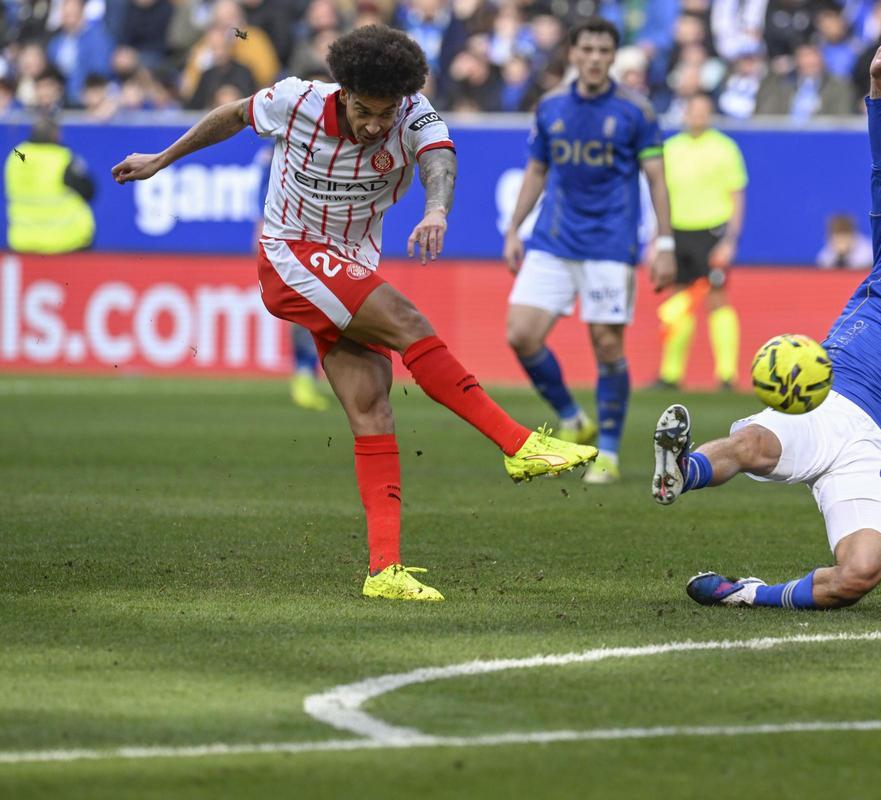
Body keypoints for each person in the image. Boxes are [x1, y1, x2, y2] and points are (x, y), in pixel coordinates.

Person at [112, 25, 597, 602]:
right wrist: (163, 159)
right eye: (364, 111)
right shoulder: (296, 101)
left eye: (384, 113)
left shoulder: (415, 115)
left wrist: (436, 211)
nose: (374, 124)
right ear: (342, 91)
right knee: (412, 325)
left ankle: (384, 570)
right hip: (290, 254)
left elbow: (439, 162)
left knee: (373, 407)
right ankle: (518, 445)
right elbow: (235, 114)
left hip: (348, 264)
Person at [653, 19, 881, 612]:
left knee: (860, 575)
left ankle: (751, 595)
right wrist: (877, 89)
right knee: (751, 441)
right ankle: (681, 471)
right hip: (820, 399)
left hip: (873, 443)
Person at [504, 17, 676, 485]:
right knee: (521, 333)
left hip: (609, 244)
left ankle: (611, 453)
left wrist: (664, 241)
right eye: (588, 49)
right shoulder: (551, 106)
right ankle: (573, 417)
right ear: (573, 54)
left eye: (605, 50)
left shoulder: (635, 111)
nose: (596, 58)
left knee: (606, 345)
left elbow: (657, 178)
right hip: (554, 239)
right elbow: (536, 169)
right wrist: (514, 228)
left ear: (613, 57)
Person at [656, 93, 746, 392]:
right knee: (680, 299)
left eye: (703, 111)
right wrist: (658, 237)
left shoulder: (724, 148)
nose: (697, 116)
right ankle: (670, 374)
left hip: (711, 232)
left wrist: (730, 240)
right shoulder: (670, 148)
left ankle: (726, 374)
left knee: (717, 298)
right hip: (678, 230)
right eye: (693, 111)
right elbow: (659, 197)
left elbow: (736, 195)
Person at [5, 116, 96, 254]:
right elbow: (89, 191)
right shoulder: (61, 158)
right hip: (64, 242)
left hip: (23, 240)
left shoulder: (17, 155)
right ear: (57, 134)